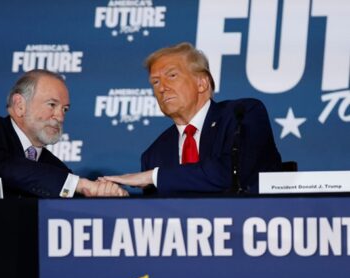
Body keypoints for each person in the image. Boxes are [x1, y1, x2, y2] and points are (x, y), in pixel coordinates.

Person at [104, 42, 282, 195]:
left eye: (172, 76)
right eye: (155, 82)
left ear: (202, 83)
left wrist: (154, 176)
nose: (162, 88)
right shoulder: (154, 154)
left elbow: (232, 173)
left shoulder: (242, 115)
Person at [0, 69, 128, 198]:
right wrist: (82, 185)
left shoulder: (57, 170)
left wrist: (103, 194)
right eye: (52, 105)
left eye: (65, 109)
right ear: (20, 105)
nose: (60, 116)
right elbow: (2, 167)